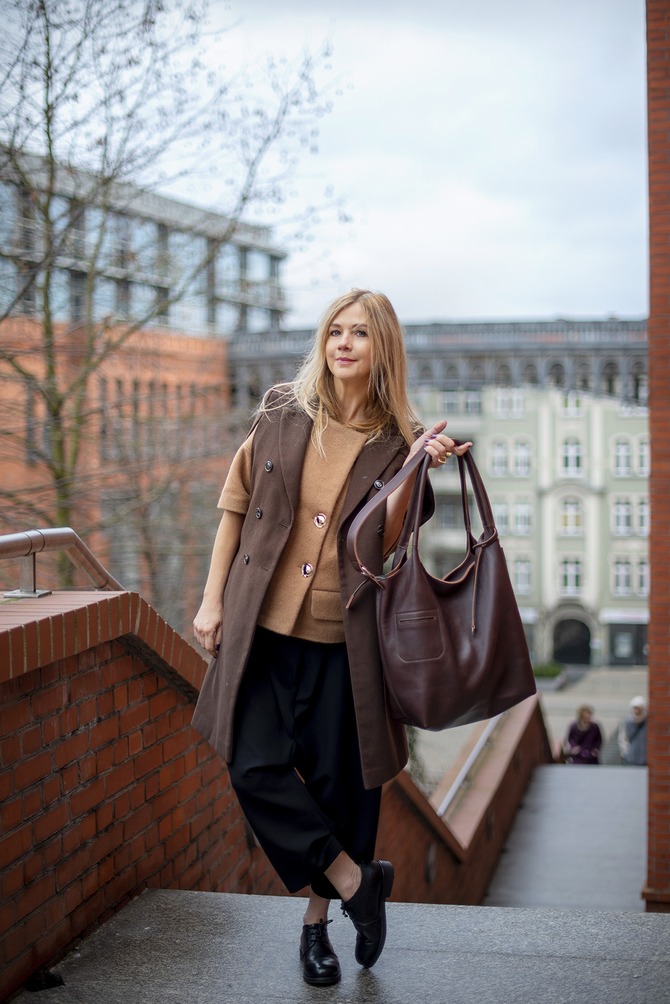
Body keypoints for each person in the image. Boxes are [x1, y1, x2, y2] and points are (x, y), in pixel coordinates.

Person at [191, 289, 471, 986]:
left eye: (360, 334)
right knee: (252, 766)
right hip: (263, 627)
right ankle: (356, 881)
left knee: (337, 786)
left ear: (383, 350)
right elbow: (234, 507)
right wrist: (211, 600)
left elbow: (385, 542)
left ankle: (315, 930)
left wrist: (416, 468)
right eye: (335, 331)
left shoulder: (399, 439)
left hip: (347, 645)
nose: (343, 343)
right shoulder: (283, 410)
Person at [618, 696, 648, 766]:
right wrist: (626, 753)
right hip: (631, 759)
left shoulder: (647, 723)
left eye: (639, 709)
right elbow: (623, 739)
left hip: (645, 759)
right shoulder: (626, 722)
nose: (636, 711)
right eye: (635, 708)